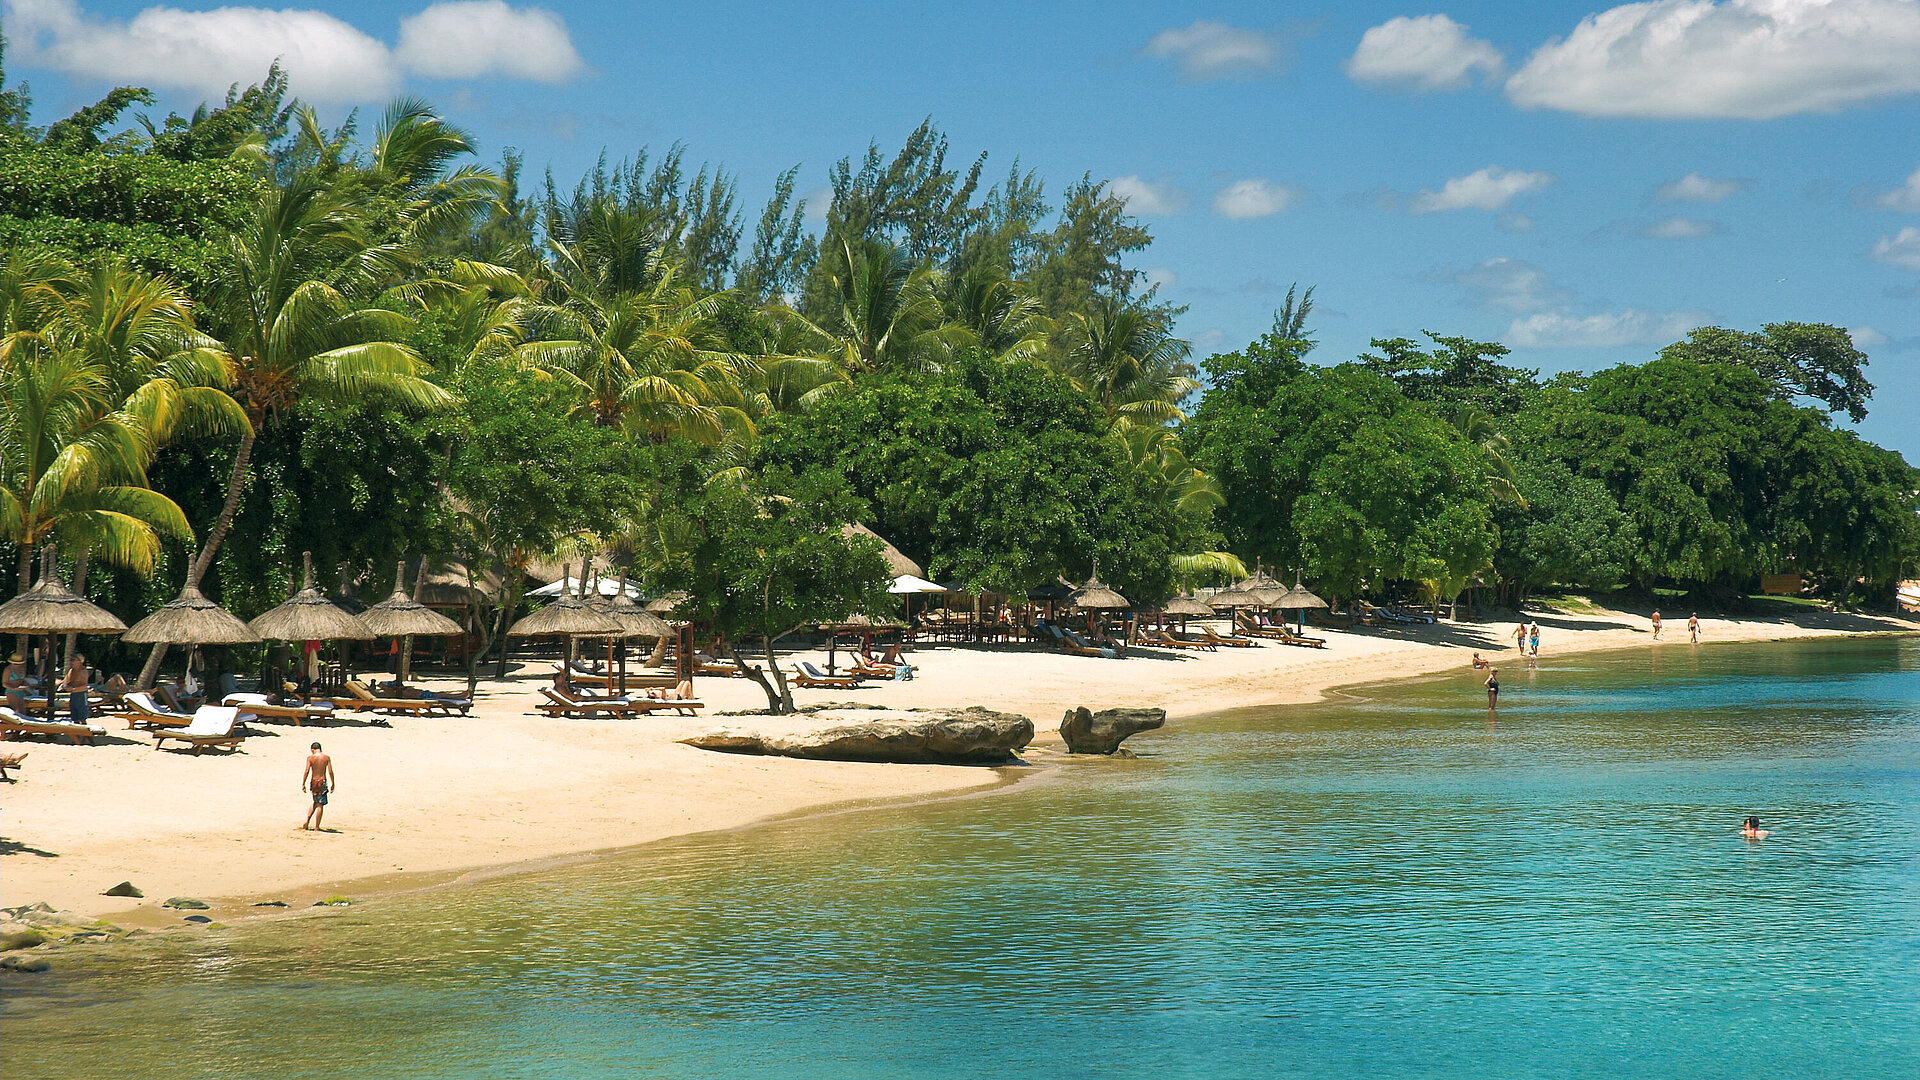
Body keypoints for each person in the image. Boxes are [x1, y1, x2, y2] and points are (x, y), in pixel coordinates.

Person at [301, 742, 336, 831]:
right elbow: (330, 771)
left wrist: (303, 783)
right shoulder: (326, 757)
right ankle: (317, 826)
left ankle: (307, 820)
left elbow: (307, 770)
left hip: (314, 781)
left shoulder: (310, 758)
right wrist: (333, 783)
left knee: (315, 802)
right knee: (320, 805)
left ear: (312, 749)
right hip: (322, 782)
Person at [59, 653, 90, 723]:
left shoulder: (83, 671)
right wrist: (66, 686)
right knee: (74, 715)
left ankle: (83, 732)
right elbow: (66, 682)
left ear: (80, 661)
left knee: (82, 715)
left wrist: (74, 689)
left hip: (81, 694)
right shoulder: (72, 671)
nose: (71, 662)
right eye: (71, 660)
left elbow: (85, 686)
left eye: (73, 660)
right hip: (73, 695)